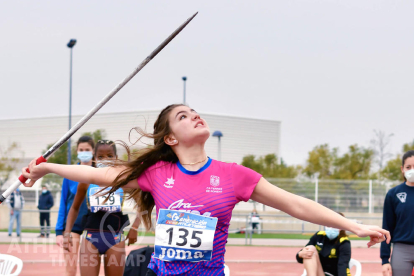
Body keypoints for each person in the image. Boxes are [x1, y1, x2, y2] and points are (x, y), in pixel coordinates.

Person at [22, 104, 390, 276]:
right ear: (170, 137)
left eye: (194, 111)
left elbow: (295, 204)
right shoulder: (158, 172)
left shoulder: (234, 175)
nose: (194, 115)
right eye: (183, 116)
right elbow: (103, 173)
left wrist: (354, 226)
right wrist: (46, 167)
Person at [62, 139, 140, 276]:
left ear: (116, 157)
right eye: (101, 156)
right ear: (95, 158)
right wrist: (67, 232)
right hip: (91, 237)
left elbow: (143, 204)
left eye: (110, 156)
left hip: (115, 238)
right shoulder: (87, 181)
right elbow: (74, 208)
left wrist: (134, 228)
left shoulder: (123, 181)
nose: (106, 159)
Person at [55, 136, 93, 276]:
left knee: (88, 270)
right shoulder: (69, 173)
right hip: (73, 227)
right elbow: (63, 202)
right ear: (77, 151)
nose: (84, 152)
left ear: (93, 151)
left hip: (92, 225)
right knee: (71, 269)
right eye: (81, 150)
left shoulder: (99, 173)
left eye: (87, 150)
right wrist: (60, 231)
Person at [381, 150, 414, 276]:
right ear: (402, 169)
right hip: (401, 249)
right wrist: (384, 260)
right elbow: (386, 227)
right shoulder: (393, 194)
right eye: (408, 167)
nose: (412, 170)